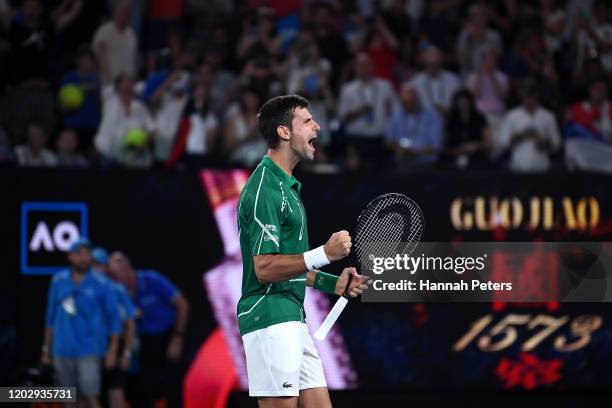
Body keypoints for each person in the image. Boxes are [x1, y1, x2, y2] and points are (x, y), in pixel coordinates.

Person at [237, 94, 369, 407]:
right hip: (269, 317)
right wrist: (324, 253)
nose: (318, 126)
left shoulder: (288, 188)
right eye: (308, 121)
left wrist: (330, 281)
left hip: (293, 317)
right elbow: (265, 268)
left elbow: (288, 265)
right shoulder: (263, 188)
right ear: (284, 132)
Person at [41, 238, 121, 408]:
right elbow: (50, 318)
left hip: (90, 349)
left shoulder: (102, 283)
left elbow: (114, 318)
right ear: (69, 256)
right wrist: (46, 351)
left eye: (86, 253)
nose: (83, 257)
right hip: (62, 349)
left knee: (91, 395)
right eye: (78, 253)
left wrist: (113, 350)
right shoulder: (58, 281)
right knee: (70, 400)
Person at [107, 251, 189, 408]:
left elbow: (182, 304)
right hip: (144, 343)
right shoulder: (117, 292)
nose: (113, 279)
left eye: (115, 274)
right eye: (111, 275)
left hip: (167, 336)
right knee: (143, 389)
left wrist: (177, 338)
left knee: (173, 387)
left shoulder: (151, 279)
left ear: (126, 268)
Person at [337, 52, 397, 160]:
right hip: (357, 141)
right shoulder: (348, 89)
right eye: (360, 64)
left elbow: (396, 110)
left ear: (372, 66)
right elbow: (342, 117)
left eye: (366, 64)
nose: (363, 67)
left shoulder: (385, 86)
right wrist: (358, 112)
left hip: (380, 140)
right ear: (355, 67)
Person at [497, 79, 561, 172]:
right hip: (518, 167)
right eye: (525, 95)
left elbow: (556, 144)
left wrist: (543, 141)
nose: (528, 99)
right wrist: (520, 135)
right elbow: (502, 142)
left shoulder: (548, 116)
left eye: (531, 95)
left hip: (542, 167)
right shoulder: (512, 115)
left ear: (536, 96)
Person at [385, 82, 444, 169]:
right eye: (404, 103)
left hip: (426, 165)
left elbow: (436, 146)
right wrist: (398, 148)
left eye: (410, 102)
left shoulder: (433, 115)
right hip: (402, 163)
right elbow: (388, 141)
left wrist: (415, 151)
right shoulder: (396, 115)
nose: (408, 106)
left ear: (417, 100)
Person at [92, 0, 137, 84]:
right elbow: (97, 57)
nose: (123, 16)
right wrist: (108, 79)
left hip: (127, 84)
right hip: (109, 83)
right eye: (121, 12)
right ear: (115, 13)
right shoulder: (104, 32)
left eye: (126, 13)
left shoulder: (131, 34)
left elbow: (134, 60)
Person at [444, 89, 490, 169]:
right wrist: (459, 150)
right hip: (454, 156)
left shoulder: (479, 118)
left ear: (471, 102)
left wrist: (477, 146)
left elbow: (487, 143)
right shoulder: (451, 119)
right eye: (460, 102)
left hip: (476, 156)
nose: (463, 104)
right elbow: (445, 146)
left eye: (465, 102)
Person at [410, 46, 461, 113]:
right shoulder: (416, 82)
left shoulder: (453, 80)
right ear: (424, 60)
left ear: (441, 59)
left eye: (436, 61)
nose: (433, 64)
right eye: (431, 63)